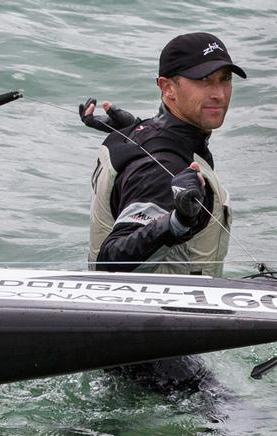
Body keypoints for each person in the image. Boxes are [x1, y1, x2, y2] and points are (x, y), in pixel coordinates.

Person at [79, 32, 246, 394]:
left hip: (129, 339)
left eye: (225, 79)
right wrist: (176, 223)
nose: (218, 93)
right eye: (203, 81)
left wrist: (133, 125)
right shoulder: (162, 167)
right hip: (153, 348)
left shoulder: (148, 137)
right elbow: (113, 259)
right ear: (167, 87)